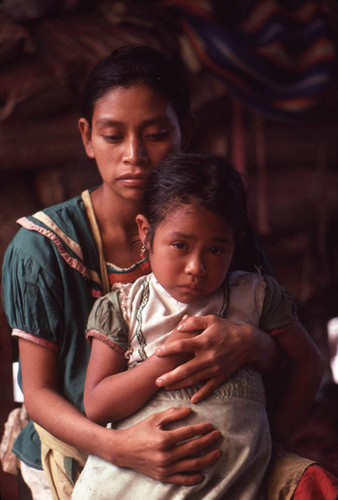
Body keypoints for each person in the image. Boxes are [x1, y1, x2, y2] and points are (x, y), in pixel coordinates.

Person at [1, 45, 336, 499]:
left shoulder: (217, 232)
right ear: (86, 137)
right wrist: (120, 448)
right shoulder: (42, 249)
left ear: (186, 132)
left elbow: (289, 354)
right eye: (113, 136)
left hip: (219, 447)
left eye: (156, 134)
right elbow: (38, 395)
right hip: (91, 446)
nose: (134, 155)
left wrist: (251, 345)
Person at [72, 152, 323, 499]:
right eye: (180, 245)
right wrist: (164, 361)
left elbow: (309, 364)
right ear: (146, 233)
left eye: (216, 250)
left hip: (230, 483)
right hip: (133, 485)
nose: (196, 267)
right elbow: (97, 405)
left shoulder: (256, 297)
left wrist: (275, 436)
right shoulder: (125, 308)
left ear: (235, 242)